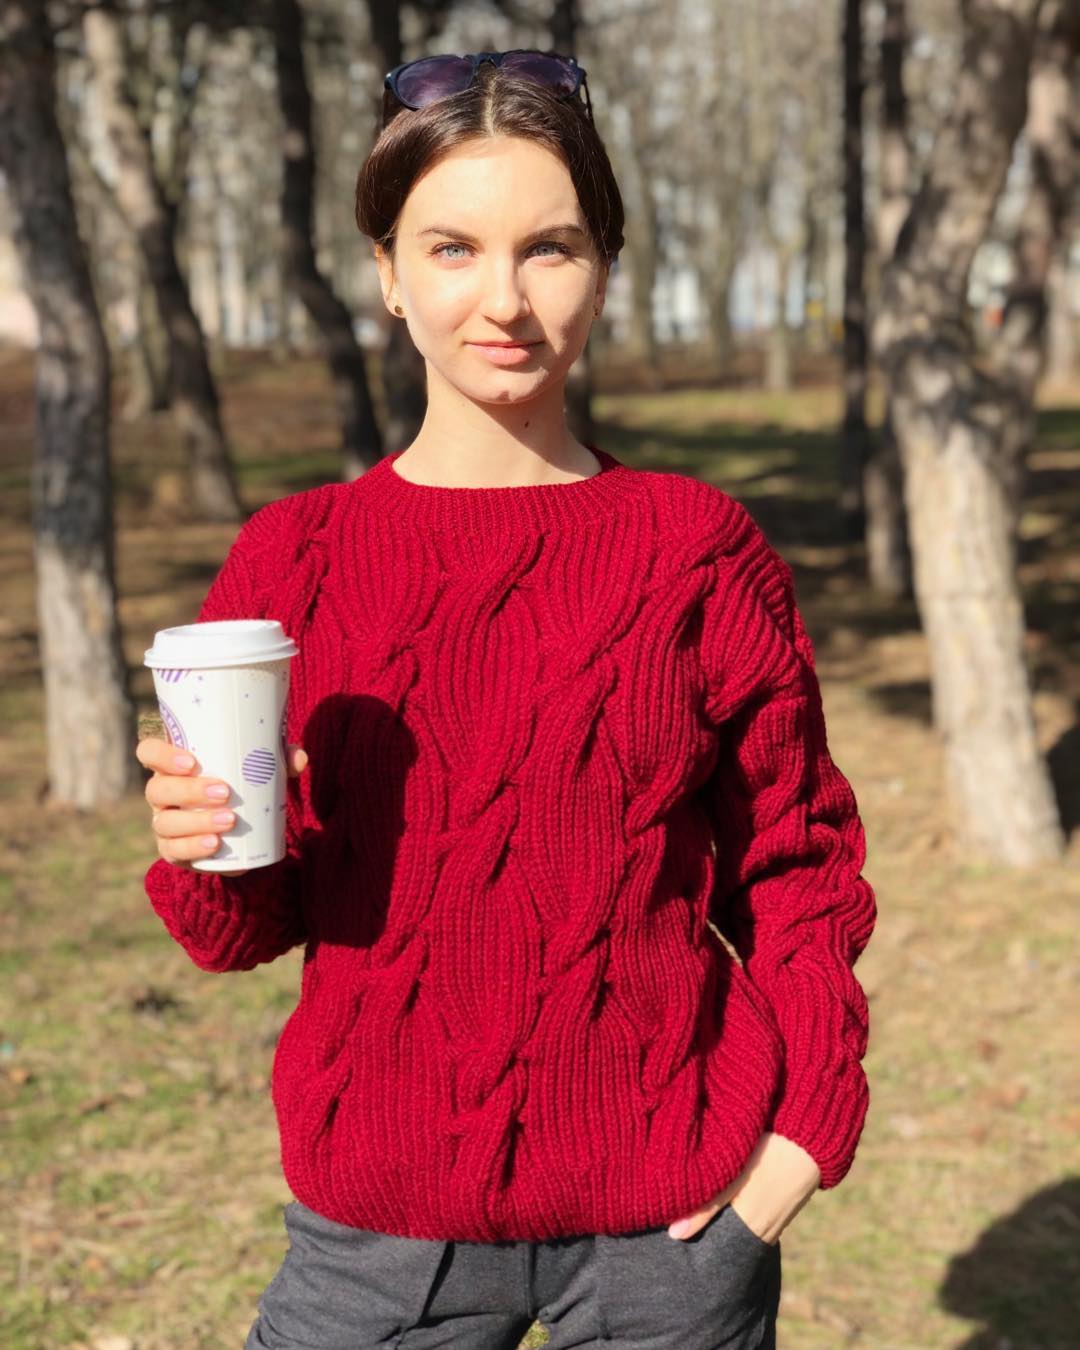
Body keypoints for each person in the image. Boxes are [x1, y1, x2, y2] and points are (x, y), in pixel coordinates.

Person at [135, 48, 877, 1349]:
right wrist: (198, 845)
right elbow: (240, 927)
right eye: (453, 247)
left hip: (673, 1238)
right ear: (387, 272)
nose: (505, 299)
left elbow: (801, 866)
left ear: (605, 262)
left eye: (551, 247)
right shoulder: (295, 554)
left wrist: (797, 1148)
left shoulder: (696, 545)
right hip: (378, 1242)